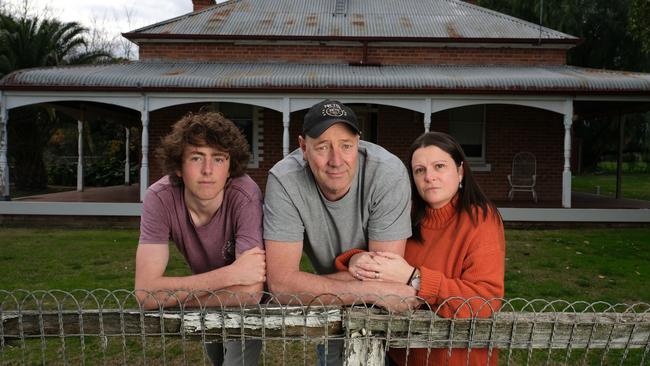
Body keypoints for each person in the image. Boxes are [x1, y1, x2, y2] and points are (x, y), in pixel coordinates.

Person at [263, 100, 419, 365]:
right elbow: (280, 284)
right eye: (323, 147)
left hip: (392, 321)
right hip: (333, 312)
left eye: (346, 146)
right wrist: (370, 291)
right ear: (303, 147)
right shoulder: (284, 180)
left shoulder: (387, 173)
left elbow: (387, 278)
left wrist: (313, 286)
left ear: (358, 143)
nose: (336, 160)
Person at [336, 131, 506, 365]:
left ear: (460, 171)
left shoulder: (481, 220)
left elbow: (484, 301)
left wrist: (415, 278)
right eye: (420, 170)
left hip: (457, 358)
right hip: (402, 356)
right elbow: (381, 262)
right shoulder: (405, 213)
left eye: (439, 166)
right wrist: (354, 259)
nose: (429, 177)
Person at [134, 111, 265, 366]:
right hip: (218, 293)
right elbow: (146, 292)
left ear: (230, 168)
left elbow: (250, 293)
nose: (207, 170)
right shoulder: (159, 198)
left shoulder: (244, 195)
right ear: (179, 167)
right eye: (196, 158)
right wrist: (231, 275)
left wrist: (174, 295)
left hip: (246, 310)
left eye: (218, 159)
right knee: (216, 359)